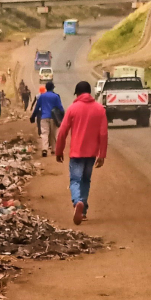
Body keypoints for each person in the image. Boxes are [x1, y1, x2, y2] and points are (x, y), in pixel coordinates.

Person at [54, 81, 109, 225]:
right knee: (85, 180)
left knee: (75, 180)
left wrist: (59, 151)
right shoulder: (100, 109)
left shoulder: (73, 108)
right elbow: (103, 133)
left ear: (77, 93)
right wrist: (102, 154)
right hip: (91, 154)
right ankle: (83, 211)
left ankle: (77, 201)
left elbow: (62, 131)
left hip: (76, 153)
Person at [29, 81, 64, 157]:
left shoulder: (42, 96)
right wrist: (63, 116)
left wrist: (33, 116)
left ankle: (44, 149)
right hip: (54, 118)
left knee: (44, 133)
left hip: (44, 117)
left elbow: (37, 107)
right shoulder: (56, 96)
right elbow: (60, 107)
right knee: (53, 134)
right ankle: (53, 149)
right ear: (53, 88)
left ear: (46, 88)